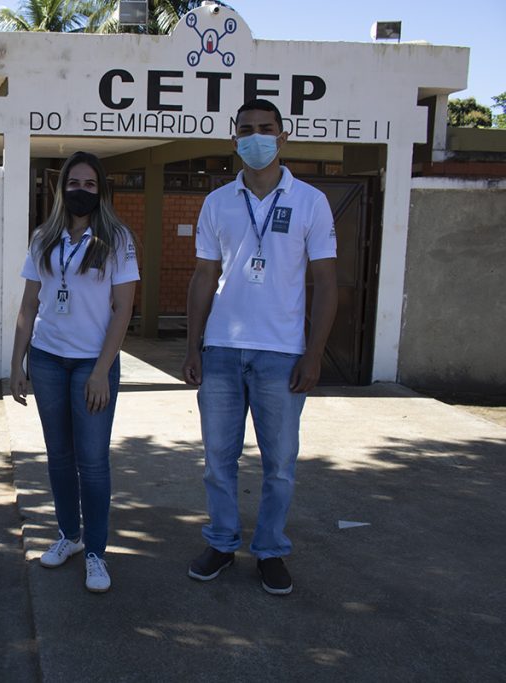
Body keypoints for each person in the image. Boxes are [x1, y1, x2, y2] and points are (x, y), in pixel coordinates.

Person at [182, 99, 338, 595]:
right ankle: (223, 542)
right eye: (246, 130)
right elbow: (204, 276)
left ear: (283, 135)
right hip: (222, 351)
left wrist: (313, 354)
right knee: (217, 460)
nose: (256, 138)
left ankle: (270, 550)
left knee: (280, 465)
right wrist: (193, 347)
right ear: (234, 138)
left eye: (265, 129)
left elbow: (327, 283)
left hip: (282, 354)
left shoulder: (310, 200)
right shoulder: (217, 202)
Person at [10, 151, 139, 593]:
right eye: (73, 183)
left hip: (92, 364)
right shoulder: (43, 237)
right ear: (60, 187)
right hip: (46, 359)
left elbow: (123, 309)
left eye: (89, 184)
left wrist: (102, 371)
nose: (80, 191)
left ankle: (97, 553)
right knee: (59, 458)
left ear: (100, 189)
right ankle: (69, 535)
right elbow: (29, 304)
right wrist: (17, 363)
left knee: (93, 462)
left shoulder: (118, 239)